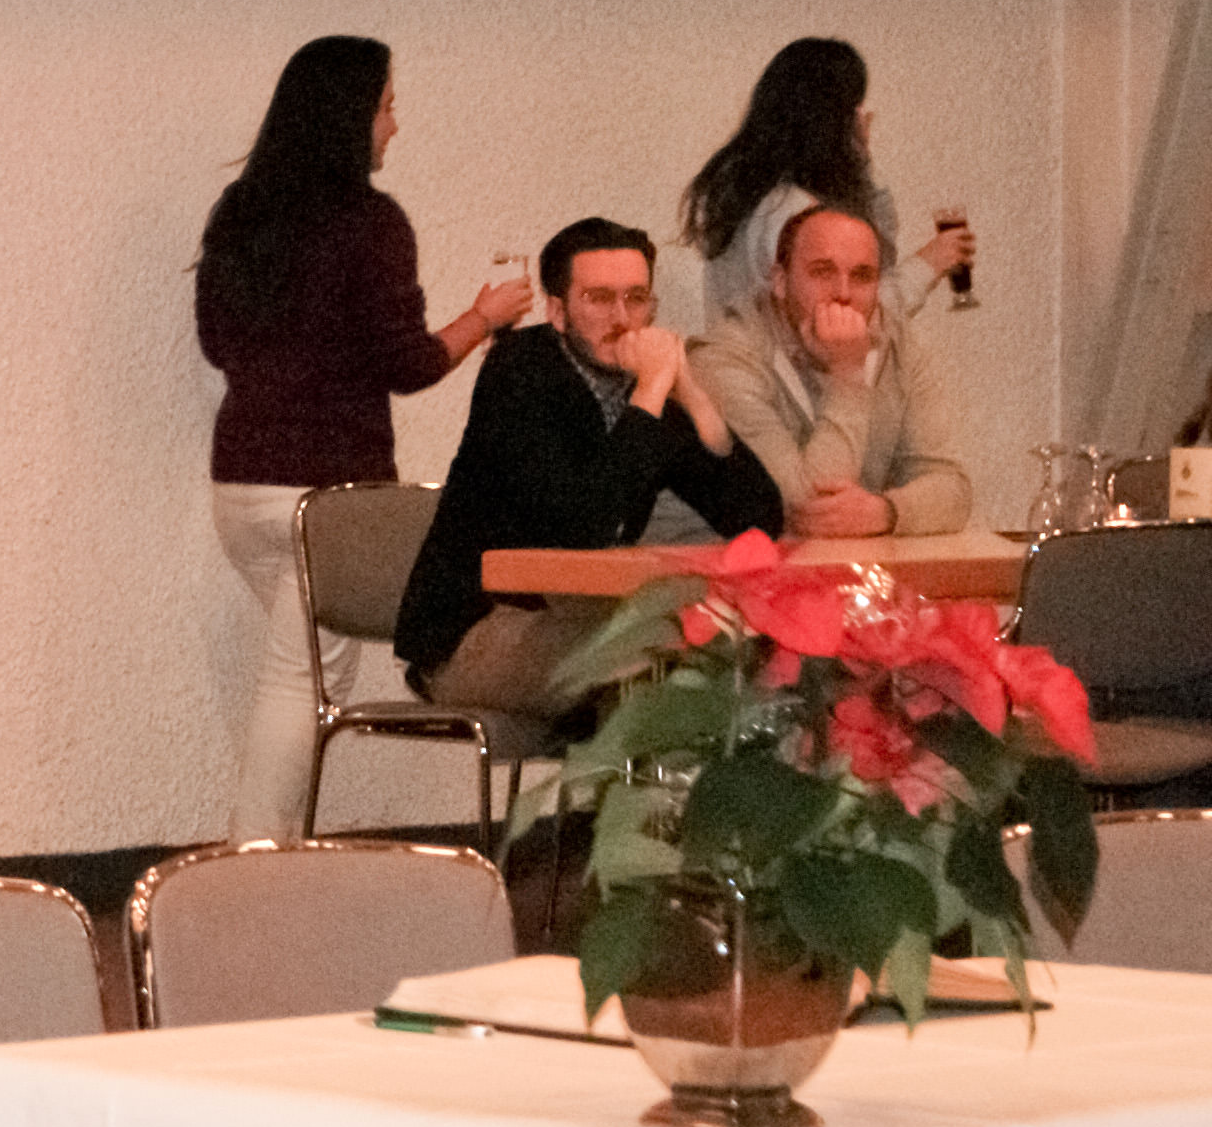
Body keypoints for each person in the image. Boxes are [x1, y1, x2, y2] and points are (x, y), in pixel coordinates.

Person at [195, 36, 532, 841]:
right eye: (387, 106)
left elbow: (215, 344)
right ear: (349, 115)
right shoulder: (371, 223)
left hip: (240, 486)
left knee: (302, 671)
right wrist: (483, 318)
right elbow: (408, 365)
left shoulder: (240, 211)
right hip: (328, 495)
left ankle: (264, 854)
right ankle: (254, 861)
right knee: (301, 681)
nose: (395, 125)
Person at [395, 218, 787, 713]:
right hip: (476, 633)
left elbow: (758, 517)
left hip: (583, 618)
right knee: (655, 655)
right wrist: (652, 391)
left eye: (636, 299)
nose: (621, 318)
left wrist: (691, 394)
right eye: (599, 299)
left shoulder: (646, 388)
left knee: (753, 644)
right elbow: (583, 527)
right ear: (558, 312)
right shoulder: (519, 371)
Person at [693, 203, 971, 537]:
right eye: (823, 272)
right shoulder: (724, 357)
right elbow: (805, 509)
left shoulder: (900, 345)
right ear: (780, 281)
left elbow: (953, 489)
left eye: (862, 276)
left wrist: (886, 512)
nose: (843, 293)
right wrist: (847, 377)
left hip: (853, 563)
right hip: (725, 562)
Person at [673, 37, 972, 328]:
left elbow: (873, 269)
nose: (861, 117)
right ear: (835, 117)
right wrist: (928, 264)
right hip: (781, 364)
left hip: (735, 359)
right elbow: (850, 319)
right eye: (854, 107)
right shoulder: (797, 211)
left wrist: (863, 163)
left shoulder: (745, 194)